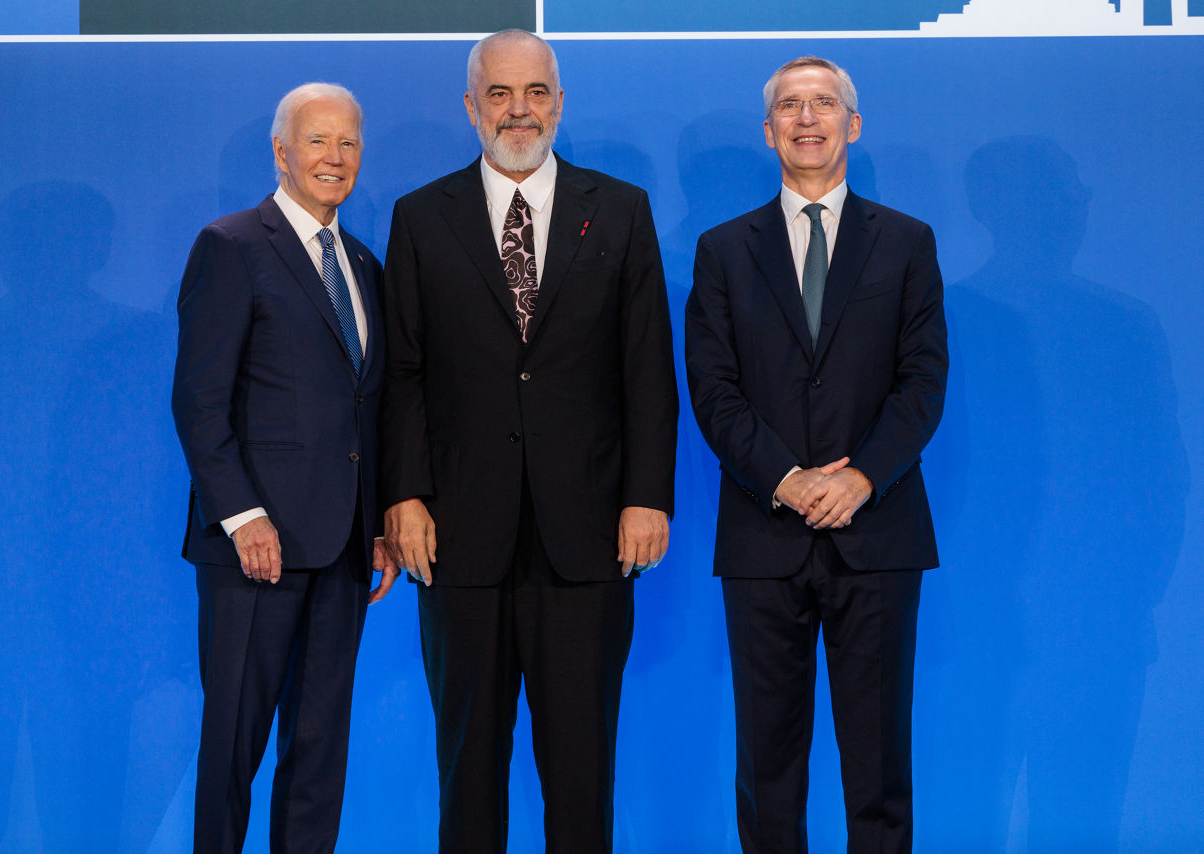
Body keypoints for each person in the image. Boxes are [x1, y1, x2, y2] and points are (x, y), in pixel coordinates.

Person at [379, 28, 678, 854]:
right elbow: (401, 373)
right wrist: (403, 494)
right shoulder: (420, 216)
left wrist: (646, 496)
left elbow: (648, 368)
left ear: (559, 103)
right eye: (501, 94)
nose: (520, 110)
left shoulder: (620, 209)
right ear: (471, 106)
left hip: (587, 537)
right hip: (457, 539)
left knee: (581, 773)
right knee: (467, 770)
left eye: (536, 92)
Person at [684, 56, 947, 853]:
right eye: (790, 107)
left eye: (824, 103)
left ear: (851, 125)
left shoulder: (907, 242)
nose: (807, 118)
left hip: (878, 536)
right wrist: (786, 480)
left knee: (880, 767)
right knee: (767, 769)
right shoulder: (723, 250)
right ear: (769, 133)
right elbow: (713, 390)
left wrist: (862, 477)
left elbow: (923, 382)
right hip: (764, 539)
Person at [171, 82, 398, 853]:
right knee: (233, 747)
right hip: (254, 552)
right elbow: (199, 401)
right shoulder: (232, 246)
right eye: (317, 140)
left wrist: (375, 523)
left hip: (343, 554)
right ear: (282, 152)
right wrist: (243, 517)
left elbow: (365, 409)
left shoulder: (364, 265)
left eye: (349, 142)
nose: (335, 157)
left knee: (319, 753)